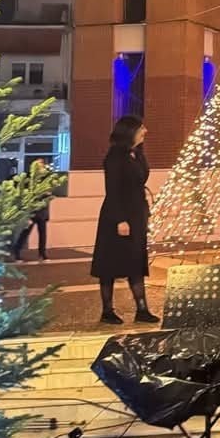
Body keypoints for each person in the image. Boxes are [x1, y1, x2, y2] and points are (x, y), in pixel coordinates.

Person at [90, 115, 159, 325]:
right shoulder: (115, 158)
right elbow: (113, 190)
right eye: (141, 128)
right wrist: (120, 220)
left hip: (137, 214)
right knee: (109, 264)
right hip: (116, 216)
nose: (145, 131)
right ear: (130, 132)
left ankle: (142, 309)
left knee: (136, 263)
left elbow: (139, 182)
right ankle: (107, 310)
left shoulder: (136, 154)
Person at [13, 158, 51, 261]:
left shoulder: (45, 179)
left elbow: (48, 194)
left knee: (42, 234)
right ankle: (16, 251)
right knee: (25, 232)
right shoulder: (30, 179)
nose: (42, 166)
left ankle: (42, 253)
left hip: (42, 211)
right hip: (31, 211)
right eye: (40, 164)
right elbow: (28, 194)